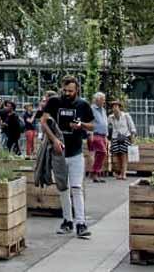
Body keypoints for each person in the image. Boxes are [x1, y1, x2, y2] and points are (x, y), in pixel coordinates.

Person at [40, 76, 95, 239]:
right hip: (59, 153)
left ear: (77, 89)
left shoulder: (83, 104)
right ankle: (67, 221)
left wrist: (81, 125)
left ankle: (81, 223)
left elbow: (92, 125)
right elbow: (43, 122)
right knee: (63, 188)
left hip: (76, 152)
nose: (67, 93)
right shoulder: (54, 102)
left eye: (70, 91)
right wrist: (54, 140)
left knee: (77, 187)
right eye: (64, 90)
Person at [108, 99, 136, 180]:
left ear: (119, 107)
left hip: (125, 137)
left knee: (124, 155)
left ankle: (124, 173)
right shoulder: (110, 117)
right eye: (113, 106)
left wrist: (132, 137)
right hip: (115, 138)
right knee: (117, 156)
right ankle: (120, 173)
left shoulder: (126, 116)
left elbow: (132, 126)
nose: (114, 108)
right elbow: (108, 127)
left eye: (116, 106)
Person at [89, 92, 109, 183]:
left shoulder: (103, 110)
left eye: (104, 99)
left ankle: (95, 174)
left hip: (103, 135)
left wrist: (106, 135)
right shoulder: (91, 109)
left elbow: (105, 123)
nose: (104, 101)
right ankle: (94, 172)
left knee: (100, 154)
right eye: (102, 99)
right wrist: (90, 133)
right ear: (97, 100)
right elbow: (89, 121)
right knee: (102, 152)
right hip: (96, 134)